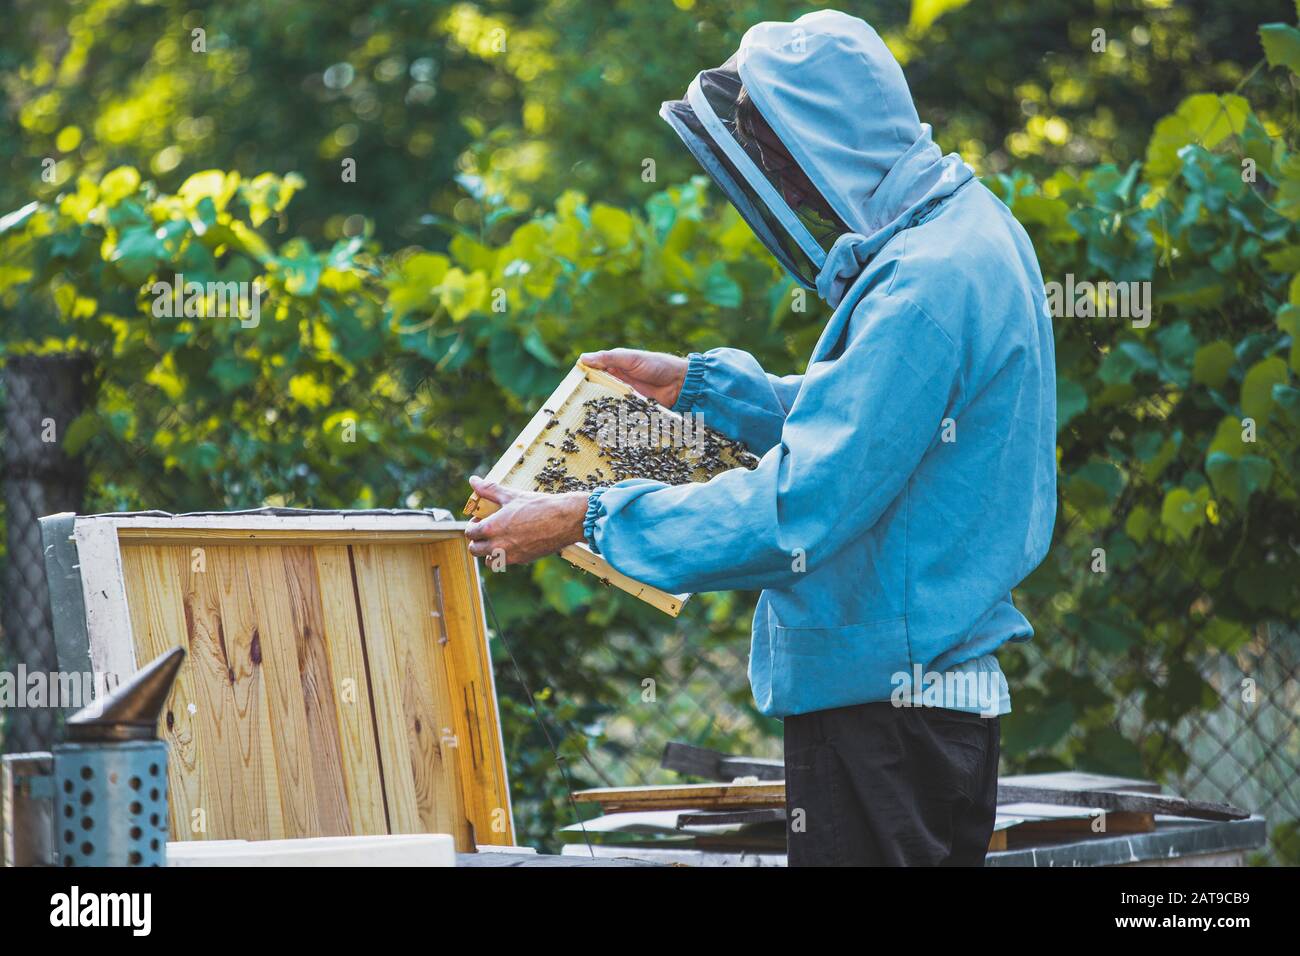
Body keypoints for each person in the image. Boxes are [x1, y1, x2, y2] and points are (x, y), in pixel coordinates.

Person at [465, 9, 1057, 866]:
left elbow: (800, 507)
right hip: (923, 705)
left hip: (885, 717)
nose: (791, 188)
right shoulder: (970, 233)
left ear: (827, 138)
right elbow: (879, 428)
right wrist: (702, 388)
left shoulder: (924, 284)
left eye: (782, 160)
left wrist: (587, 519)